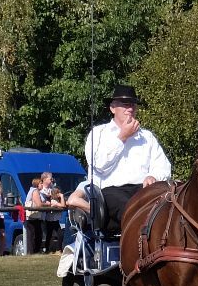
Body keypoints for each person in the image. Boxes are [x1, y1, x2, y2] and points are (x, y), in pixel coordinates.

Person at [67, 84, 171, 232]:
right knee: (132, 209)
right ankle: (146, 234)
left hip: (143, 190)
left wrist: (153, 176)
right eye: (125, 104)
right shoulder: (99, 133)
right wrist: (122, 137)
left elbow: (163, 165)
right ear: (112, 108)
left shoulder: (147, 137)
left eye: (133, 105)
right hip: (109, 193)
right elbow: (99, 165)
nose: (130, 109)